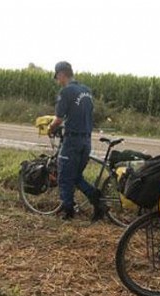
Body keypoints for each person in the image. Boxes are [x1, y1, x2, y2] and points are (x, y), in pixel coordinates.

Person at [47, 61, 106, 221]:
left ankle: (68, 211)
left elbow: (58, 119)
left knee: (65, 177)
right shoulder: (86, 91)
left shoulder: (66, 92)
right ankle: (98, 202)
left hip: (72, 141)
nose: (58, 81)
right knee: (76, 177)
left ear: (61, 74)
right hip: (86, 141)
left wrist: (50, 129)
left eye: (57, 77)